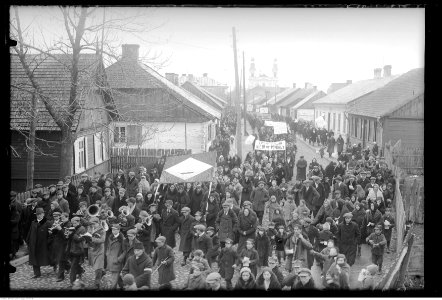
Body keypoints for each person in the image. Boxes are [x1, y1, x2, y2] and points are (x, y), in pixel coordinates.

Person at [26, 207, 51, 279]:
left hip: (43, 245)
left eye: (40, 214)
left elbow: (52, 234)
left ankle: (63, 266)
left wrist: (48, 242)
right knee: (34, 259)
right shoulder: (33, 223)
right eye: (37, 214)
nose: (39, 215)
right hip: (34, 244)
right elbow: (30, 232)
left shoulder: (47, 223)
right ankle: (37, 273)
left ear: (43, 214)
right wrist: (28, 241)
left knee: (51, 258)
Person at [49, 212, 71, 282]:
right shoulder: (62, 223)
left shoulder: (69, 225)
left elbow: (66, 237)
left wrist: (60, 229)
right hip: (58, 244)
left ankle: (61, 277)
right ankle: (68, 267)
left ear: (67, 217)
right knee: (62, 259)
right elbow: (56, 233)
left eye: (63, 218)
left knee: (61, 260)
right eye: (61, 218)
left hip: (64, 245)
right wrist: (52, 231)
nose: (61, 219)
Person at [66, 216, 87, 286]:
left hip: (78, 251)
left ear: (78, 222)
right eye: (72, 223)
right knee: (75, 265)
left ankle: (72, 283)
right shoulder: (73, 228)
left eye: (74, 223)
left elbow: (78, 239)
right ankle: (80, 271)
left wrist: (73, 233)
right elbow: (70, 239)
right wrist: (67, 235)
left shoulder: (82, 229)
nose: (73, 225)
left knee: (73, 267)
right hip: (71, 249)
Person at [106, 223, 125, 289]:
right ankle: (123, 286)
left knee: (114, 278)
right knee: (116, 276)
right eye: (112, 229)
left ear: (119, 230)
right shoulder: (110, 237)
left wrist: (119, 259)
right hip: (110, 259)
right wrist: (107, 254)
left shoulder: (122, 239)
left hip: (117, 261)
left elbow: (124, 251)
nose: (113, 231)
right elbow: (108, 247)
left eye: (115, 229)